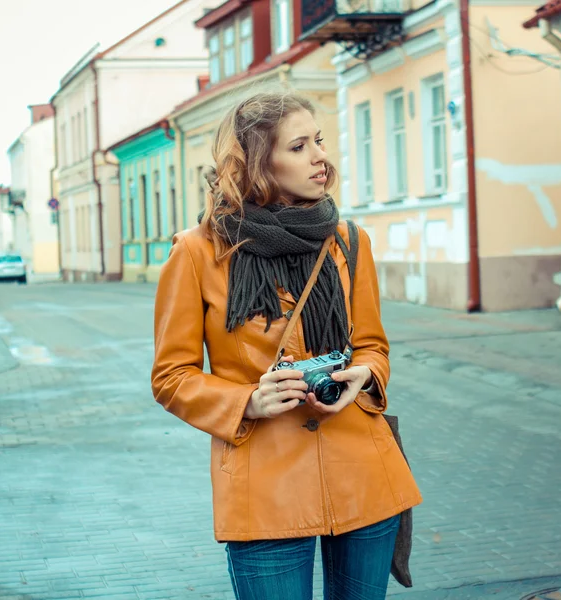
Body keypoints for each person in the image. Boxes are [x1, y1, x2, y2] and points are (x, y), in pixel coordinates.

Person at [151, 91, 422, 600]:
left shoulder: (347, 238)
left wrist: (364, 375)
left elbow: (372, 347)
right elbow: (170, 377)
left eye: (318, 141)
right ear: (257, 163)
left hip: (363, 472)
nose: (321, 156)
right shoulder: (197, 251)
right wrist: (246, 400)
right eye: (298, 146)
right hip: (265, 488)